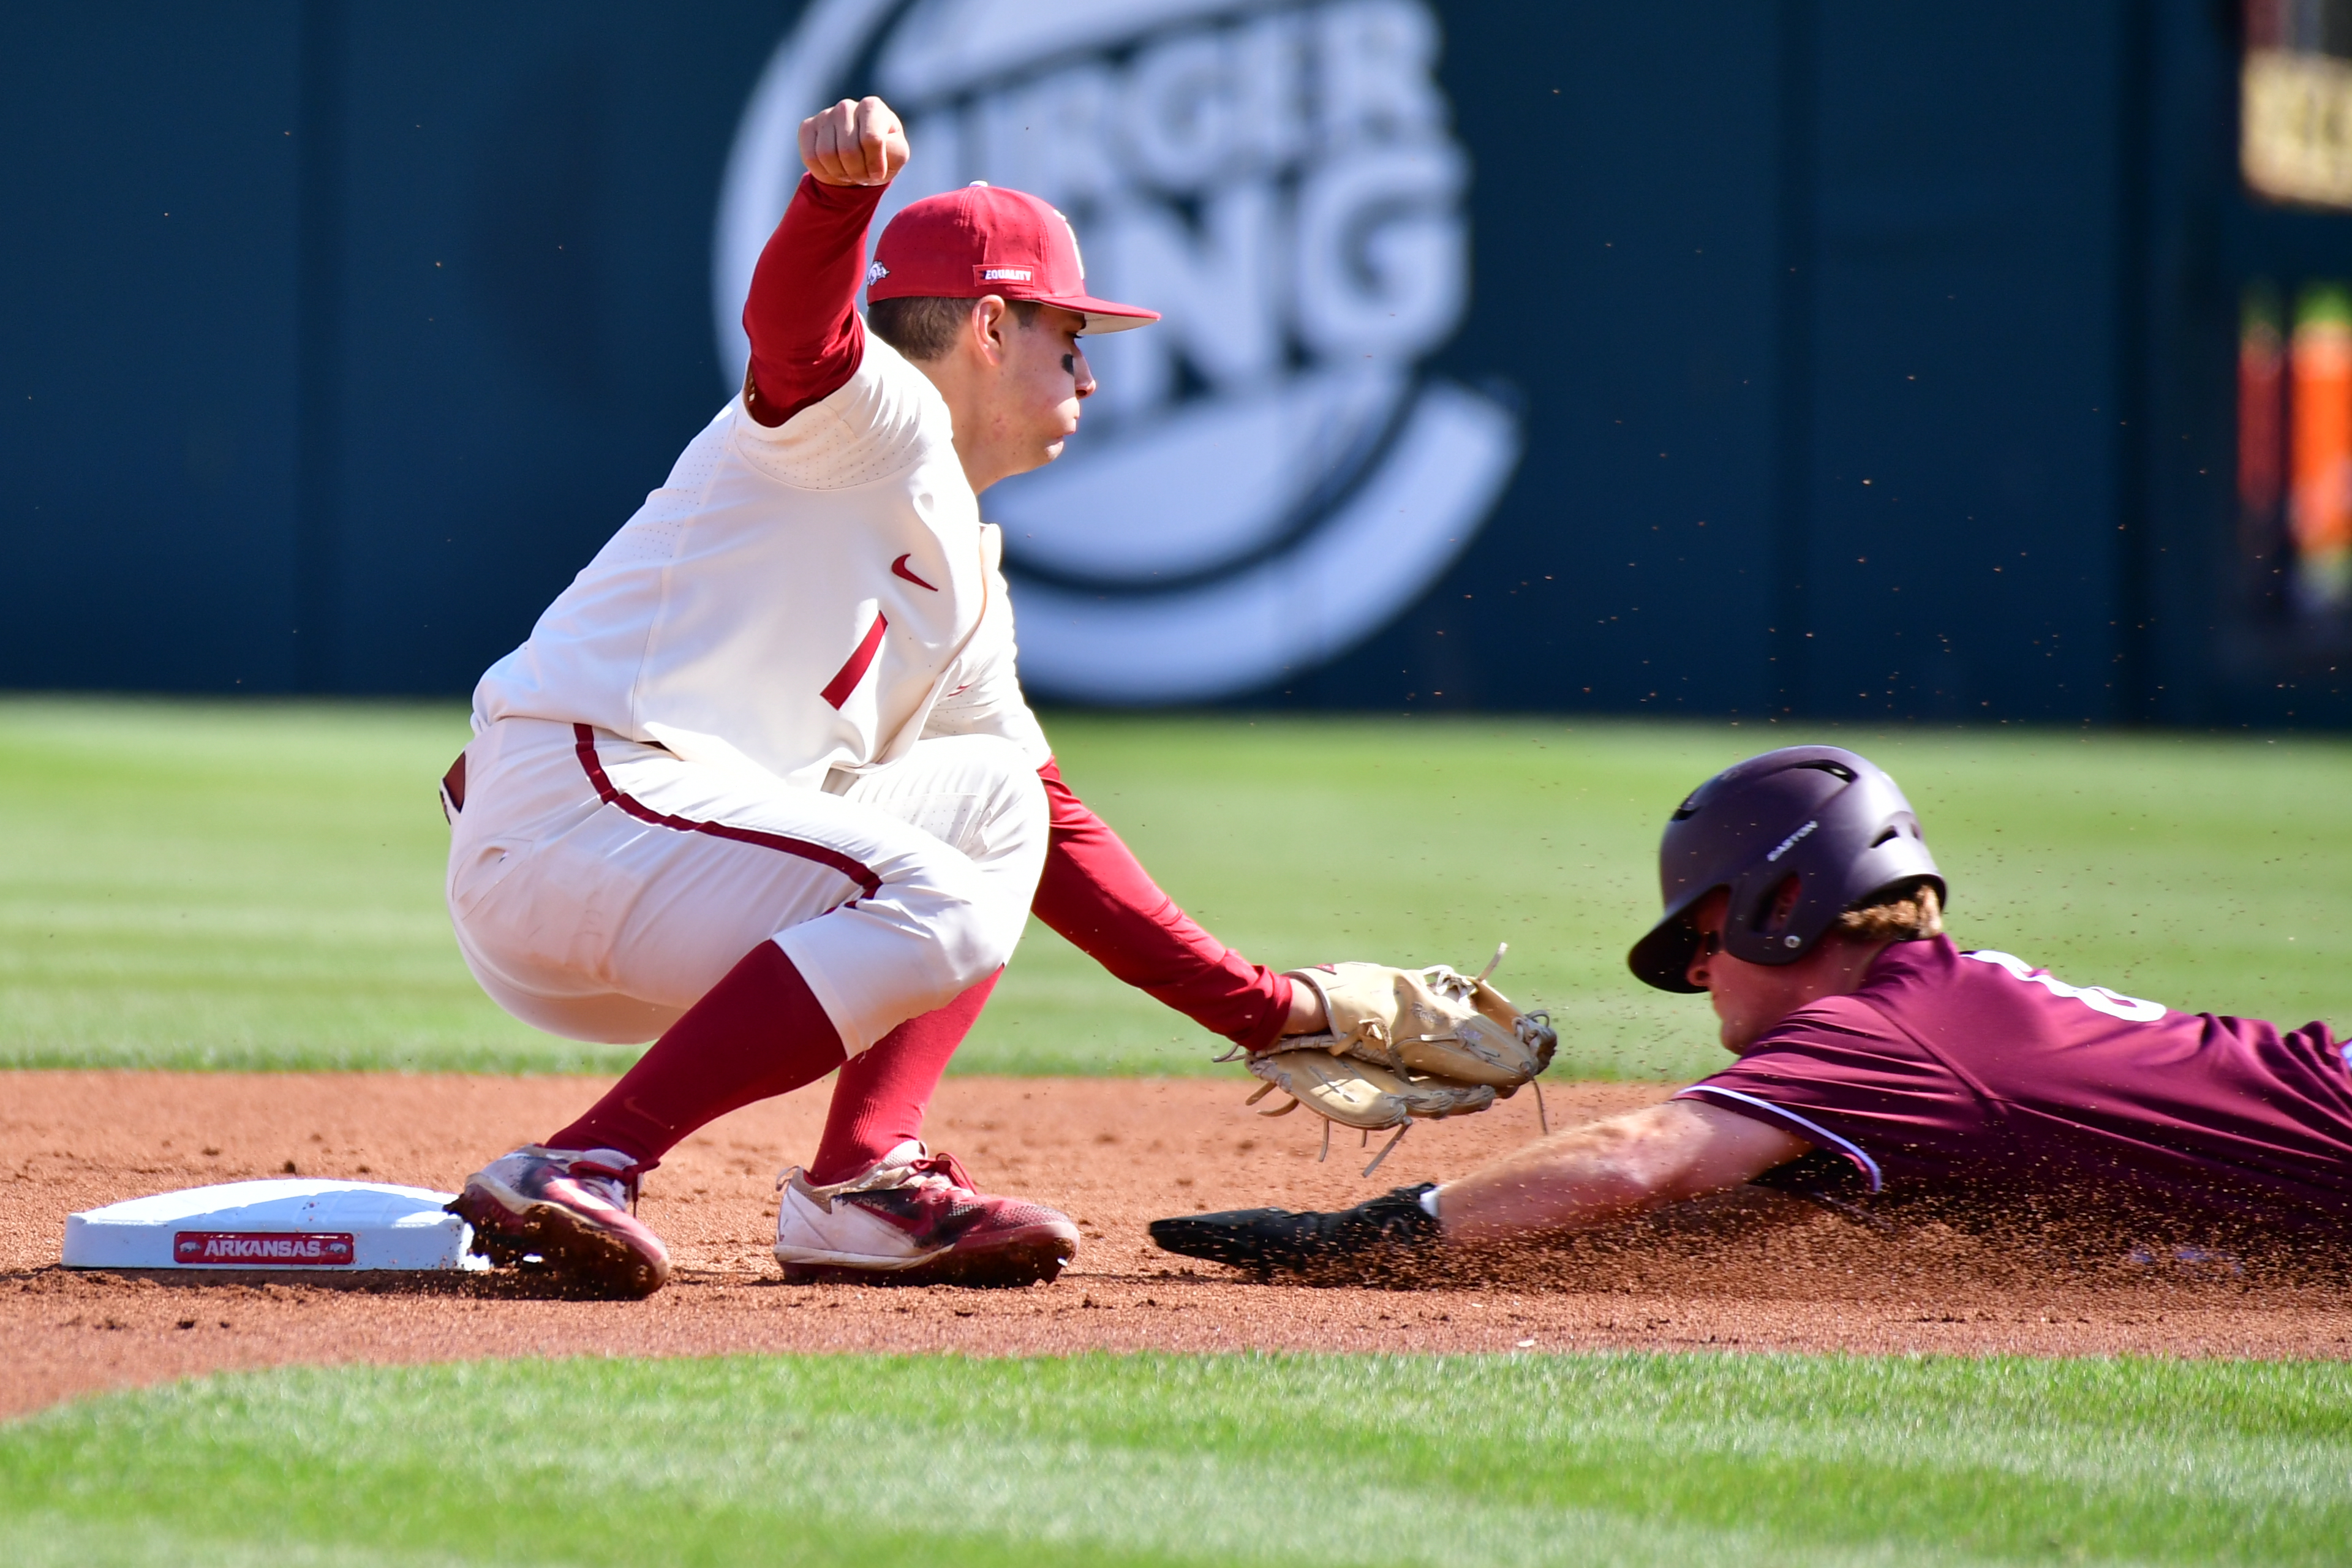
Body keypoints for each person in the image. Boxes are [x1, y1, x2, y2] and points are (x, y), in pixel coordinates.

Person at [440, 97, 1330, 1297]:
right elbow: (793, 339)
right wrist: (836, 201)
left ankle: (863, 1186)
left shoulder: (965, 568)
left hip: (662, 889)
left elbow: (1051, 835)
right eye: (1071, 332)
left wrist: (1268, 1008)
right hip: (579, 812)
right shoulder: (878, 416)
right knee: (934, 888)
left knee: (997, 809)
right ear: (991, 323)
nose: (1091, 369)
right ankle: (587, 1158)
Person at [1150, 745, 2352, 1276]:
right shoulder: (1930, 1012)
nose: (1704, 976)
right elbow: (1695, 1207)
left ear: (1786, 900)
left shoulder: (1883, 1030)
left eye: (1705, 937)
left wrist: (1374, 1234)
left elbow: (1635, 1163)